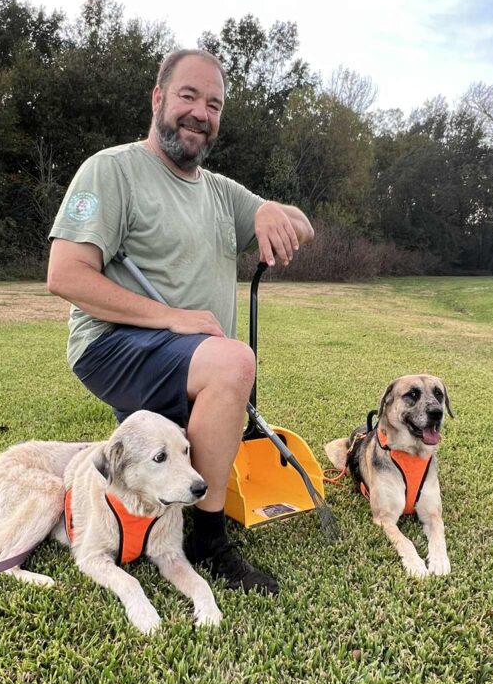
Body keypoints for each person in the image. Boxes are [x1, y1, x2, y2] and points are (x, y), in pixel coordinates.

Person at [47, 48, 314, 596]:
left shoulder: (220, 191)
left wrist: (270, 210)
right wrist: (172, 319)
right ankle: (208, 541)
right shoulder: (112, 170)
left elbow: (304, 227)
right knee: (235, 361)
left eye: (213, 104)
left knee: (211, 387)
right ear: (158, 98)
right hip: (112, 344)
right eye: (188, 96)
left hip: (183, 357)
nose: (200, 112)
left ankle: (158, 494)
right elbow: (66, 275)